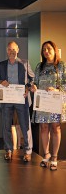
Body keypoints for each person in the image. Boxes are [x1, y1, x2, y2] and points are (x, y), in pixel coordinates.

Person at [0, 41, 32, 162]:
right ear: (6, 50)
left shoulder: (25, 63)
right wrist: (1, 81)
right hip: (7, 99)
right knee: (6, 126)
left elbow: (32, 78)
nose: (12, 52)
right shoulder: (2, 64)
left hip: (22, 98)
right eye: (10, 49)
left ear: (18, 50)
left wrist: (28, 86)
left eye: (14, 49)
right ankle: (8, 150)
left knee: (25, 126)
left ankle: (27, 151)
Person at [31, 41, 66, 171]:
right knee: (44, 127)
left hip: (55, 101)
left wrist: (58, 90)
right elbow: (34, 82)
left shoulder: (61, 65)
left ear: (54, 50)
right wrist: (33, 86)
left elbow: (65, 83)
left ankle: (55, 157)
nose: (46, 51)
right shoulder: (39, 66)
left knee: (55, 128)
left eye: (49, 49)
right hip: (42, 101)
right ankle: (46, 155)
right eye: (44, 49)